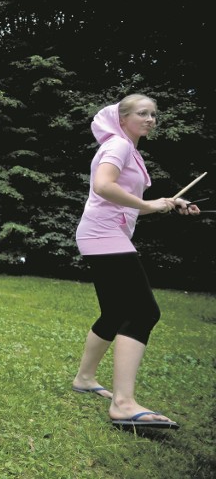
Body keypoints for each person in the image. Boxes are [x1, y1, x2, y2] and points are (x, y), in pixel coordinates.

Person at [72, 94, 200, 430]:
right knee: (144, 312)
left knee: (115, 312)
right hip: (103, 235)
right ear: (123, 118)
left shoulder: (127, 148)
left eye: (154, 115)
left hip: (100, 234)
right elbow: (103, 186)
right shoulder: (120, 146)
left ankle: (85, 378)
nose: (150, 119)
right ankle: (123, 403)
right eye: (142, 113)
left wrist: (170, 203)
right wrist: (151, 204)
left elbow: (129, 200)